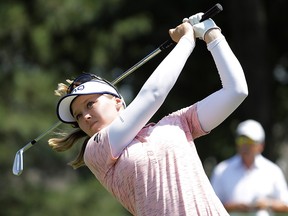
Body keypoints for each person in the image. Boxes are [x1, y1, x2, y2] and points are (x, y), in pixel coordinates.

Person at [49, 12, 248, 215]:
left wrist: (210, 33)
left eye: (89, 104)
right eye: (78, 116)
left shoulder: (177, 123)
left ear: (117, 102)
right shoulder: (95, 151)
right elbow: (153, 94)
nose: (85, 117)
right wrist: (187, 40)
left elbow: (236, 90)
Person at [210, 119, 288, 216]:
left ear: (261, 145)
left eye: (250, 141)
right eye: (241, 140)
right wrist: (235, 207)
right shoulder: (221, 170)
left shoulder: (273, 171)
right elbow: (210, 205)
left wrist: (267, 204)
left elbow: (285, 205)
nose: (245, 146)